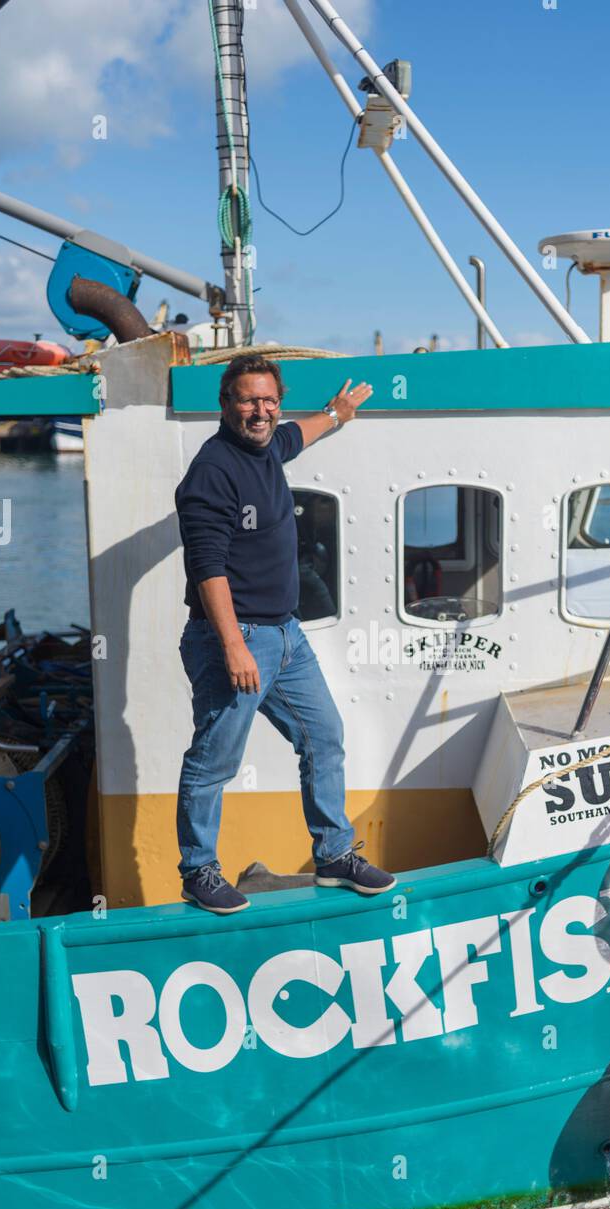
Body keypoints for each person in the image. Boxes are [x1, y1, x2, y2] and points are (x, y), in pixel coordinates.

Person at [174, 354, 397, 913]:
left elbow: (300, 434)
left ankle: (333, 856)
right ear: (226, 403)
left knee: (323, 737)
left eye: (269, 400)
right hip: (235, 637)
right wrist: (233, 646)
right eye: (248, 400)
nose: (261, 411)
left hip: (285, 636)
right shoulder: (211, 472)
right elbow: (208, 568)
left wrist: (339, 413)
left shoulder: (269, 444)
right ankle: (198, 870)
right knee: (214, 759)